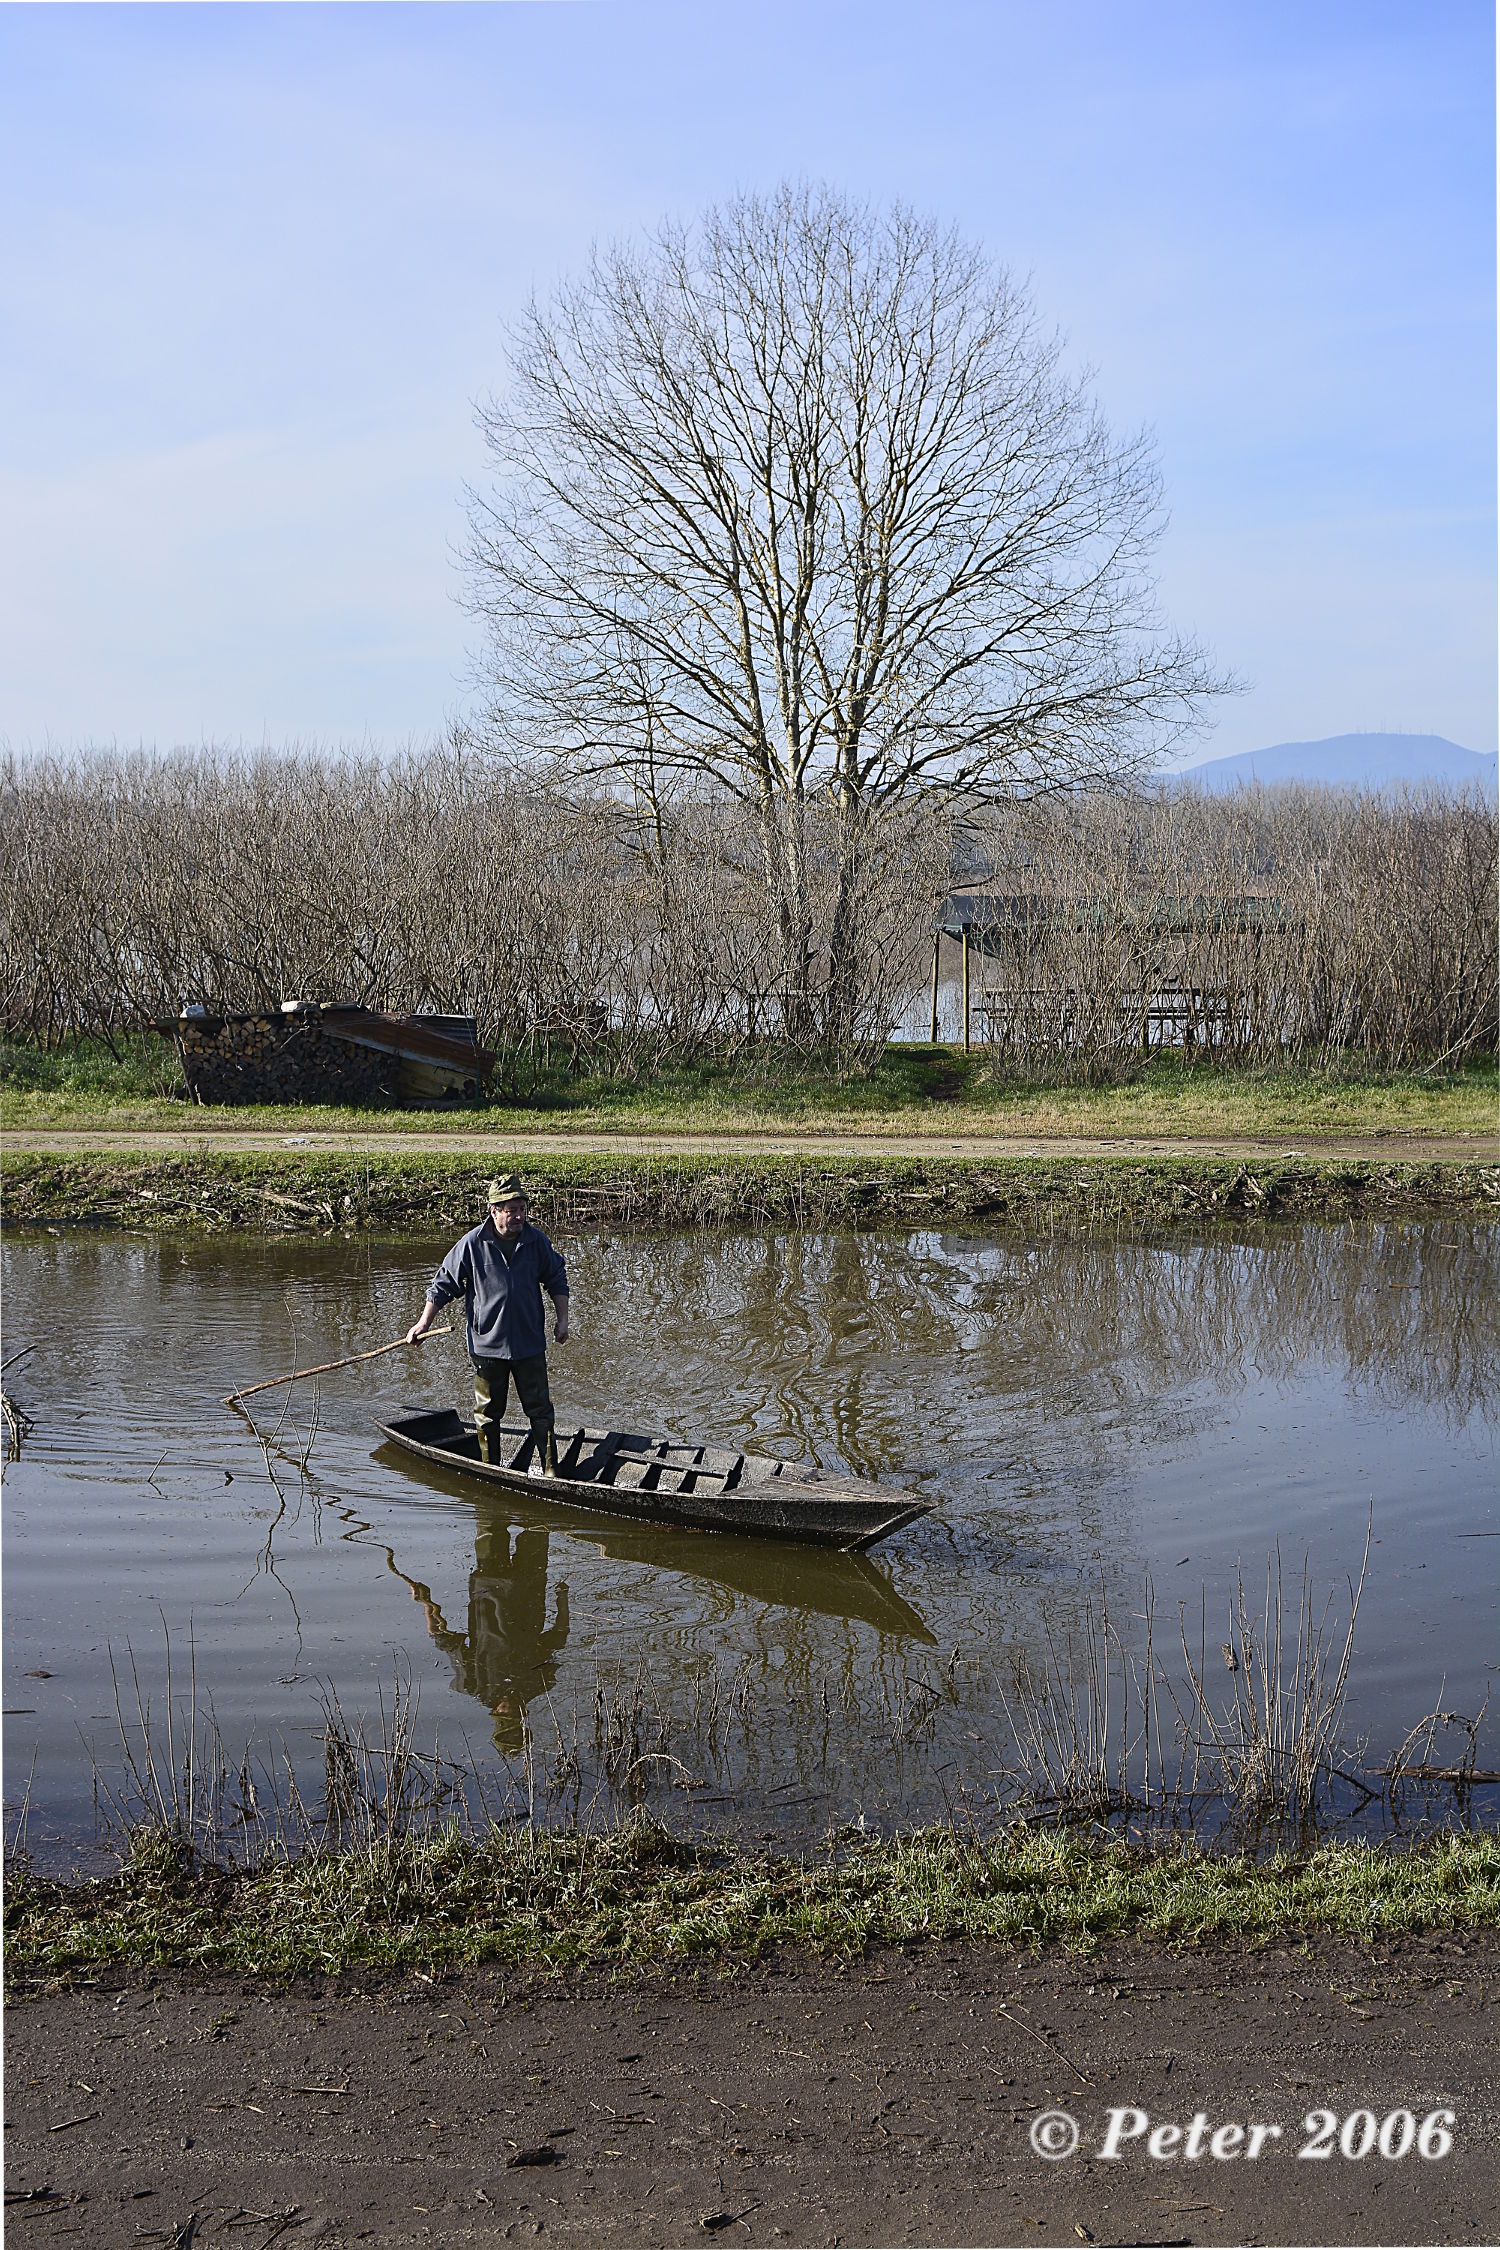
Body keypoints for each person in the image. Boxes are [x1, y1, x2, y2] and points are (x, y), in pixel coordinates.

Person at [406, 1174, 570, 1471]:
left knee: (541, 1410)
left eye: (522, 1208)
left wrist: (563, 1319)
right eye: (512, 1210)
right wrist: (423, 1323)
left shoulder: (536, 1242)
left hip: (529, 1344)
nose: (519, 1216)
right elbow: (443, 1285)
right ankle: (490, 1468)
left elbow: (556, 1277)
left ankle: (551, 1470)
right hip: (487, 1347)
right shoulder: (472, 1244)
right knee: (487, 1414)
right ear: (494, 1211)